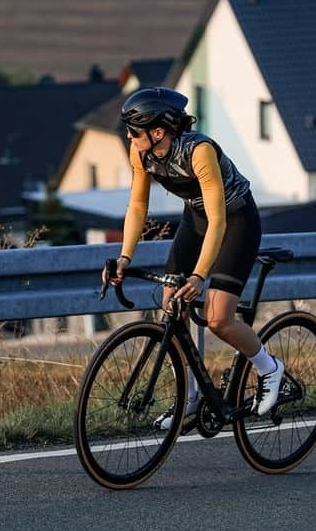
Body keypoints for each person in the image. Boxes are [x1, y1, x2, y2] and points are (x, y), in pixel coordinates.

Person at [103, 86, 284, 429]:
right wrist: (125, 256)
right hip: (196, 220)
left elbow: (220, 220)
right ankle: (191, 395)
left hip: (236, 222)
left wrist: (199, 277)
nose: (128, 135)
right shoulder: (140, 151)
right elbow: (138, 205)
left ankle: (269, 368)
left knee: (218, 319)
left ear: (158, 132)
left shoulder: (199, 151)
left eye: (134, 130)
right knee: (171, 305)